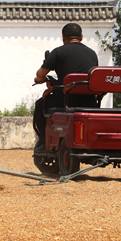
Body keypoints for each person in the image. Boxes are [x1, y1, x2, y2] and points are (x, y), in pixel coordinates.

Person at [32, 23, 99, 151]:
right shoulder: (92, 53)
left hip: (65, 100)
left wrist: (39, 79)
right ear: (81, 37)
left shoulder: (58, 52)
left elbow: (40, 74)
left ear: (63, 37)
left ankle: (44, 141)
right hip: (89, 101)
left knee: (40, 105)